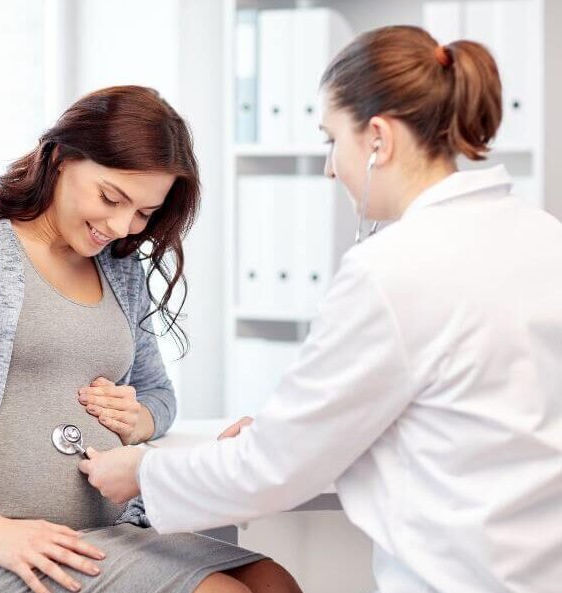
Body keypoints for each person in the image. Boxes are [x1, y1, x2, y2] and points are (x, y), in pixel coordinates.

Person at [79, 27, 562, 593]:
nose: (331, 168)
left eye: (332, 139)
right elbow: (473, 412)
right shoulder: (542, 236)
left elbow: (274, 470)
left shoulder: (393, 270)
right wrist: (304, 427)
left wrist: (143, 473)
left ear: (377, 138)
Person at [0, 86, 300, 593]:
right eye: (110, 197)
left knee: (274, 581)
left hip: (115, 531)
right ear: (59, 158)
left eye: (144, 213)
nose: (122, 226)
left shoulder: (120, 269)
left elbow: (159, 396)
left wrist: (138, 417)